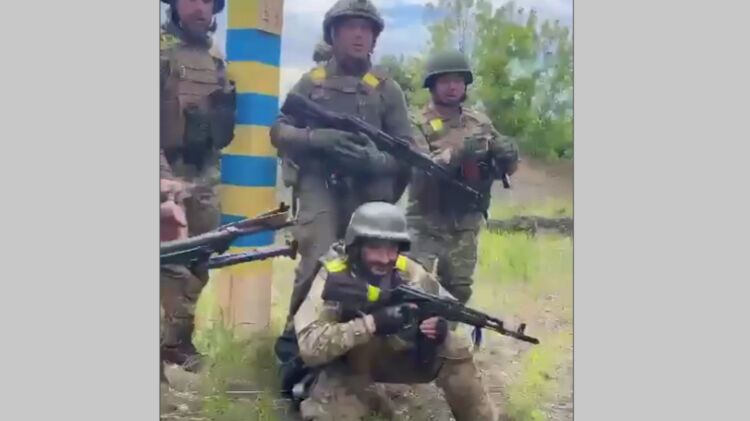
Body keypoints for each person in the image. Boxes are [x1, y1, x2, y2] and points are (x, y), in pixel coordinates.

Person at [270, 0, 415, 322]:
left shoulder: (387, 89)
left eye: (366, 29)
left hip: (368, 191)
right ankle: (296, 340)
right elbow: (278, 130)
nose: (359, 35)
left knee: (373, 267)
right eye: (350, 27)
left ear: (374, 38)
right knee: (315, 262)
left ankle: (361, 336)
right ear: (333, 35)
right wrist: (316, 139)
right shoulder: (312, 83)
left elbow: (406, 152)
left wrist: (375, 161)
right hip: (319, 184)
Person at [287, 201, 499, 420]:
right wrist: (370, 324)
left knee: (454, 345)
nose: (385, 258)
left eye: (391, 249)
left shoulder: (407, 270)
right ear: (356, 246)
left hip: (393, 355)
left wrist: (439, 327)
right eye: (375, 248)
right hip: (345, 365)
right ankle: (364, 396)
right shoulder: (333, 276)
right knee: (332, 414)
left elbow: (446, 305)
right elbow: (310, 347)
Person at [405, 49, 520, 305]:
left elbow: (504, 170)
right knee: (413, 285)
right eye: (445, 81)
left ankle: (442, 330)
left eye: (458, 81)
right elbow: (420, 166)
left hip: (465, 220)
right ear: (432, 84)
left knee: (458, 290)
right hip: (426, 219)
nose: (452, 87)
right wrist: (457, 154)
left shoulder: (479, 121)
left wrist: (508, 156)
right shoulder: (417, 122)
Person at [159, 0, 237, 371]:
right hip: (163, 169)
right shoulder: (160, 52)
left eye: (207, 1)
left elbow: (221, 132)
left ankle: (176, 341)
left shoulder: (216, 60)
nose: (199, 8)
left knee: (200, 258)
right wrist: (162, 177)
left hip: (202, 173)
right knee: (169, 262)